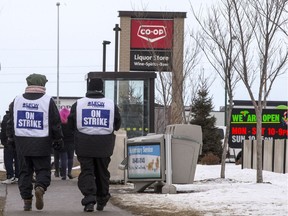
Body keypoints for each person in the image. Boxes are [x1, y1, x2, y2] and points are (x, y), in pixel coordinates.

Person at [6, 73, 64, 211]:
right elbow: (55, 122)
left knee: (24, 172)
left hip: (22, 143)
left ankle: (26, 200)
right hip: (42, 142)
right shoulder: (47, 101)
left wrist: (10, 138)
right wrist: (58, 138)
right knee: (43, 169)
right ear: (42, 84)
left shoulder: (17, 100)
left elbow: (11, 121)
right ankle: (40, 186)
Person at [68, 78, 121, 212]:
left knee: (87, 171)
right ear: (102, 88)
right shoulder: (110, 104)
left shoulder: (79, 104)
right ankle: (102, 198)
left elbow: (70, 124)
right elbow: (117, 124)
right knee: (102, 171)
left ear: (89, 88)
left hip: (84, 143)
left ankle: (89, 200)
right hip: (104, 144)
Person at [54, 107, 74, 180]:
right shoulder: (71, 122)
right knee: (70, 158)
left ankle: (63, 175)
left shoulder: (59, 123)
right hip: (71, 141)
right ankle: (69, 172)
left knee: (63, 158)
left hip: (62, 141)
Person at [0, 110, 19, 184]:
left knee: (8, 160)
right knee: (18, 160)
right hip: (17, 143)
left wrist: (3, 142)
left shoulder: (6, 117)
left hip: (8, 142)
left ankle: (10, 176)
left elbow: (3, 131)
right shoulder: (18, 117)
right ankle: (17, 176)